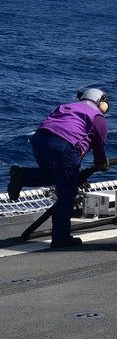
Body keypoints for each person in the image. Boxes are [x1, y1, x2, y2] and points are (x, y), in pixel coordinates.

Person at [7, 88, 111, 247]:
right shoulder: (98, 117)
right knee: (67, 193)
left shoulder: (66, 107)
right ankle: (61, 237)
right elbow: (99, 147)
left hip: (39, 141)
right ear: (101, 101)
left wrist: (75, 174)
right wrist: (101, 163)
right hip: (63, 146)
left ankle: (22, 175)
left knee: (53, 175)